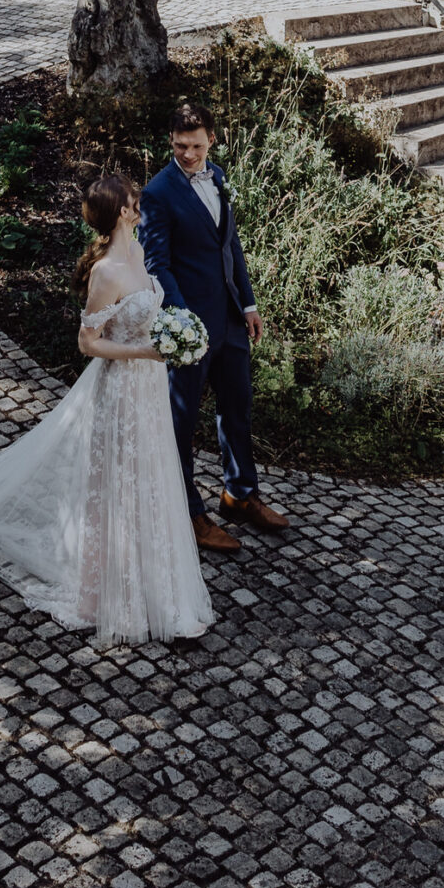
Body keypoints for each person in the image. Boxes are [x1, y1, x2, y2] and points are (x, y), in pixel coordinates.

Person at [0, 167, 213, 646]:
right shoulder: (106, 272)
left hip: (151, 389)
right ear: (122, 211)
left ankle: (163, 593)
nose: (141, 204)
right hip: (121, 392)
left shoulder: (137, 251)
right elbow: (88, 343)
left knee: (153, 480)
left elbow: (147, 313)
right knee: (121, 485)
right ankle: (110, 594)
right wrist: (145, 352)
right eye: (135, 200)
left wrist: (172, 334)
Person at [139, 99, 289, 554]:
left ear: (212, 141)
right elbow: (156, 264)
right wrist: (183, 320)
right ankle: (189, 512)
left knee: (238, 408)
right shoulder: (158, 193)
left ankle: (239, 495)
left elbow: (231, 246)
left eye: (197, 146)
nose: (189, 155)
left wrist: (248, 302)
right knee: (180, 424)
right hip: (189, 331)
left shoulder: (219, 177)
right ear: (171, 141)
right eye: (181, 146)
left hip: (229, 318)